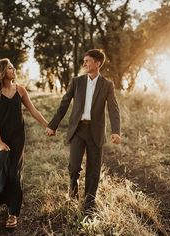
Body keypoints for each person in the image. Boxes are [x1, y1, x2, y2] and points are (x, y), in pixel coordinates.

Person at [46, 49, 121, 214]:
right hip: (78, 130)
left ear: (97, 63)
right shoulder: (77, 82)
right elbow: (64, 104)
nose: (85, 64)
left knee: (93, 171)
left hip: (96, 131)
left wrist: (116, 131)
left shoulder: (107, 85)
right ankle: (72, 197)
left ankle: (89, 204)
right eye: (84, 61)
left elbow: (113, 109)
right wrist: (53, 125)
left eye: (87, 61)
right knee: (73, 167)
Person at [0, 58, 48, 228]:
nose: (14, 70)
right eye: (10, 68)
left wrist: (48, 126)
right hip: (0, 138)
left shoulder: (20, 90)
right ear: (2, 72)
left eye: (13, 67)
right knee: (2, 169)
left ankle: (13, 213)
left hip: (18, 137)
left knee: (14, 172)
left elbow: (33, 110)